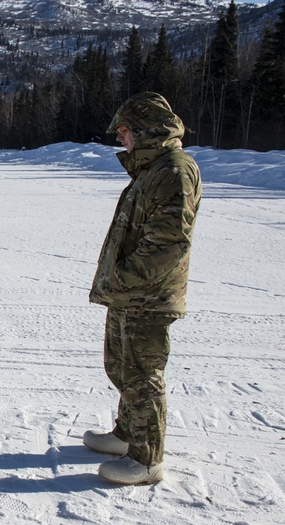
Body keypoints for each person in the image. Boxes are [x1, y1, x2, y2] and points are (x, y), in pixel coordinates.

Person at [83, 92, 202, 485]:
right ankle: (126, 434)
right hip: (130, 292)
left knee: (141, 373)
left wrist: (124, 278)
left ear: (145, 130)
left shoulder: (173, 170)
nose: (120, 139)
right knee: (121, 366)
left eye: (124, 131)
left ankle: (146, 459)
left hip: (147, 295)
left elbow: (168, 243)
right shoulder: (153, 168)